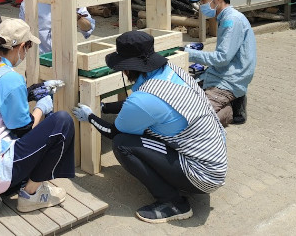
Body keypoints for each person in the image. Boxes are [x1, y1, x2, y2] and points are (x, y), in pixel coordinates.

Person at [72, 30, 227, 224]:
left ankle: (173, 203)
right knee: (144, 129)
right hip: (213, 160)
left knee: (123, 144)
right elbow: (143, 106)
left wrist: (91, 117)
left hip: (202, 175)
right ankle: (175, 183)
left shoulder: (143, 100)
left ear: (126, 69)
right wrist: (105, 107)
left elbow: (114, 132)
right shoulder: (171, 71)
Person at [0, 18, 75, 214]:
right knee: (61, 122)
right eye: (27, 47)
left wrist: (29, 92)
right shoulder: (11, 79)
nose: (26, 53)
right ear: (20, 47)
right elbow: (24, 130)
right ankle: (30, 194)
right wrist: (42, 108)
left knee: (35, 135)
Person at [186, 0, 256, 126]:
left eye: (203, 1)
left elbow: (221, 58)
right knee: (185, 94)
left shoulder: (231, 20)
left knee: (196, 118)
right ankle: (234, 101)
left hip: (229, 80)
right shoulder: (225, 17)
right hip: (222, 74)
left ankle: (230, 109)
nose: (201, 6)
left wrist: (188, 54)